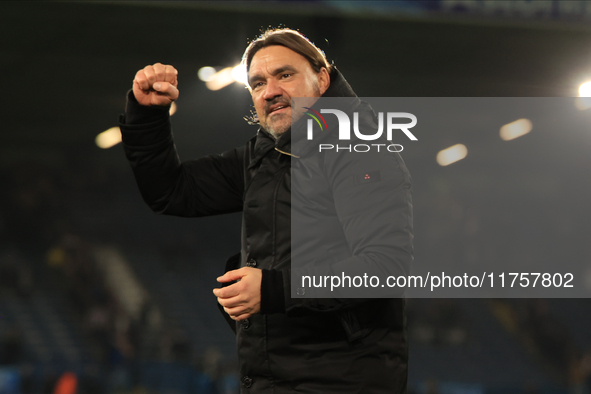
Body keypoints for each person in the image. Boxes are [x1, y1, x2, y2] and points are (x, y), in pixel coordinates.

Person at [119, 28, 413, 393]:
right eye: (257, 83)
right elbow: (172, 192)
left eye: (285, 75)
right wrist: (148, 117)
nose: (270, 91)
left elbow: (384, 266)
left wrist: (273, 289)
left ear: (322, 79)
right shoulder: (265, 158)